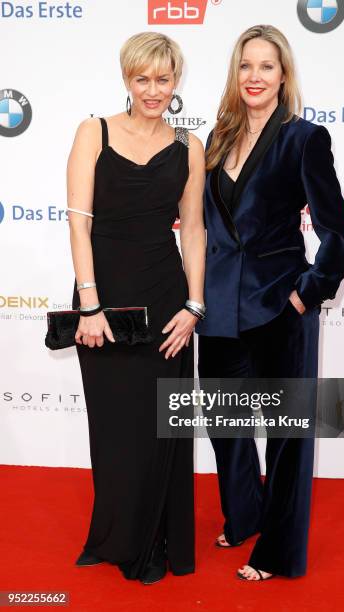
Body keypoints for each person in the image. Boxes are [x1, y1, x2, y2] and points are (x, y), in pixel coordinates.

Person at [195, 24, 344, 581]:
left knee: (286, 440)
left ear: (283, 75)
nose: (255, 76)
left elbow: (334, 232)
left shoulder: (304, 138)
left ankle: (277, 554)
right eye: (245, 65)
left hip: (278, 307)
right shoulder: (216, 138)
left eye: (266, 66)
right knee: (225, 427)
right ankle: (244, 516)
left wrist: (306, 294)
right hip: (215, 310)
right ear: (235, 75)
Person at [66, 31, 206, 585]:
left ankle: (155, 542)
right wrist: (89, 306)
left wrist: (194, 306)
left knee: (160, 429)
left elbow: (192, 230)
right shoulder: (93, 131)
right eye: (142, 78)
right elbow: (80, 222)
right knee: (115, 429)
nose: (152, 90)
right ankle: (116, 538)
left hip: (166, 299)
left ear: (176, 83)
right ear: (128, 79)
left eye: (163, 79)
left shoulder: (188, 146)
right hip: (103, 299)